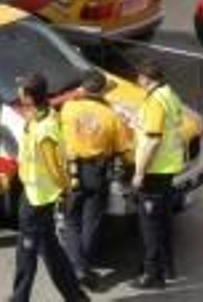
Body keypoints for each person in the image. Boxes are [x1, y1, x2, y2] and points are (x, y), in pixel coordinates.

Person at [10, 73, 88, 302]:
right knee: (51, 251)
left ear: (30, 97)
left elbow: (53, 167)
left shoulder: (44, 129)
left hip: (36, 199)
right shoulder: (41, 114)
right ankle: (76, 297)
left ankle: (19, 299)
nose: (18, 93)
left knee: (26, 253)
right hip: (38, 195)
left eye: (21, 90)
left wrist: (66, 189)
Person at [60, 69, 132, 288]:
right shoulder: (111, 116)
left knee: (71, 219)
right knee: (91, 222)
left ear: (82, 88)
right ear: (102, 90)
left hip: (71, 171)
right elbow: (124, 149)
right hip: (97, 172)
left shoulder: (69, 108)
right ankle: (81, 266)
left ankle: (77, 265)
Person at [132, 59, 185, 290]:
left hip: (154, 170)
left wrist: (139, 172)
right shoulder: (169, 94)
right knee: (163, 221)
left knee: (149, 225)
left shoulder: (155, 100)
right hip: (169, 167)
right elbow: (175, 123)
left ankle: (152, 275)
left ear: (146, 79)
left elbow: (153, 139)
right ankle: (168, 267)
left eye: (139, 78)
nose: (137, 81)